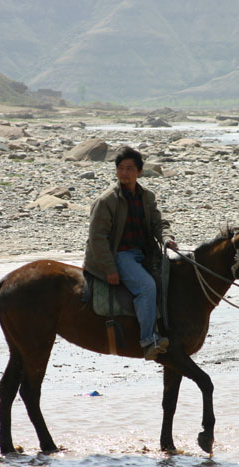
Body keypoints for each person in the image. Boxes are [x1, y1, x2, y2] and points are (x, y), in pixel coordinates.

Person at [83, 146, 177, 360]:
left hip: (142, 252)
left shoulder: (146, 196)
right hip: (119, 254)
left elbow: (158, 223)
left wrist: (167, 238)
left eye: (130, 168)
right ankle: (148, 340)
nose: (124, 173)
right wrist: (110, 269)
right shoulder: (107, 200)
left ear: (140, 171)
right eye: (121, 168)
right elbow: (97, 239)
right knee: (146, 286)